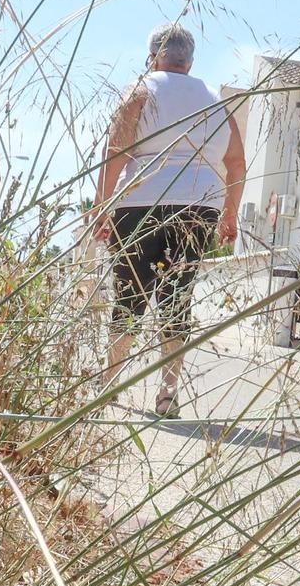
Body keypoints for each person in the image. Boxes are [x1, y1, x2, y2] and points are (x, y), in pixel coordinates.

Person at [90, 22, 247, 417]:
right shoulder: (214, 99)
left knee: (130, 294)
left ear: (153, 55)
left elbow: (116, 152)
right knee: (178, 300)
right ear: (190, 61)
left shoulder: (141, 90)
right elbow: (236, 162)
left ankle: (109, 383)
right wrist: (229, 214)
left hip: (140, 203)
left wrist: (102, 204)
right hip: (198, 207)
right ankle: (168, 393)